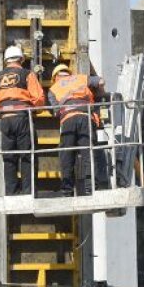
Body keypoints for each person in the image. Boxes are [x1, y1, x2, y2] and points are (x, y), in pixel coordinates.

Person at [0, 45, 45, 195]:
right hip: (22, 118)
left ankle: (11, 193)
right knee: (27, 155)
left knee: (9, 158)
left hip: (5, 121)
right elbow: (38, 98)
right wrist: (36, 110)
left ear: (6, 61)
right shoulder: (27, 74)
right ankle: (28, 192)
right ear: (21, 59)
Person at [47, 63, 109, 196]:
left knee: (67, 155)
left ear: (55, 77)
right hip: (86, 117)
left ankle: (67, 190)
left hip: (68, 120)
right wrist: (101, 95)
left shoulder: (53, 89)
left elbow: (55, 112)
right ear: (69, 73)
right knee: (88, 153)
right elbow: (101, 81)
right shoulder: (80, 78)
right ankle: (90, 188)